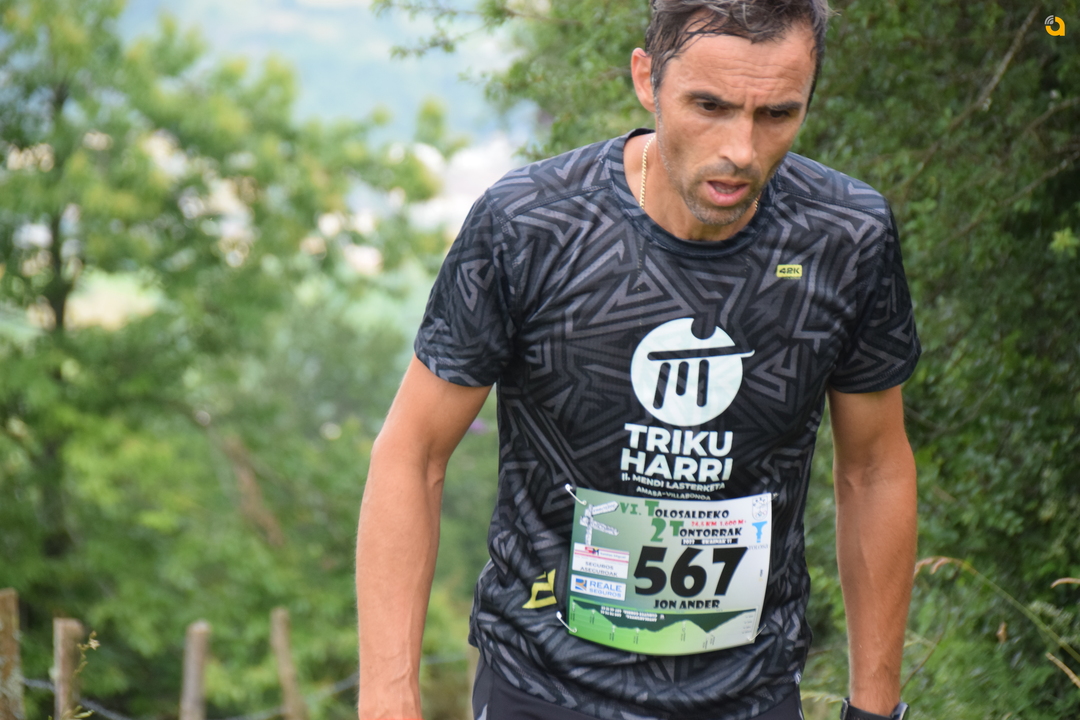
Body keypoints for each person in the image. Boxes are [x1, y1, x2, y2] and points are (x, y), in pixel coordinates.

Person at [356, 1, 919, 718]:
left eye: (777, 114)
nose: (742, 149)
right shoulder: (531, 225)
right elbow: (411, 453)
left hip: (749, 694)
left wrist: (875, 706)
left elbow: (874, 469)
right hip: (542, 686)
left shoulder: (845, 237)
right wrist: (388, 696)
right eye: (709, 106)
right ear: (646, 79)